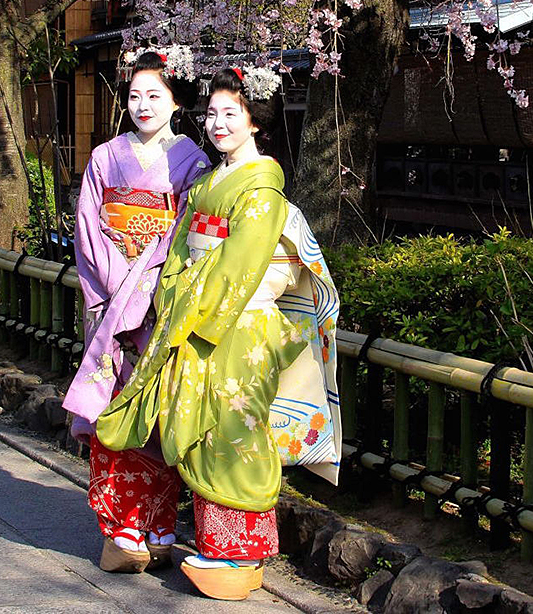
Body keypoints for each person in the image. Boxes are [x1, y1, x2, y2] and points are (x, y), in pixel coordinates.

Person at [96, 66, 341, 600]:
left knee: (233, 430)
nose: (218, 124)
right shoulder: (209, 182)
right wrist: (171, 293)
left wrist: (193, 307)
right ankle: (215, 546)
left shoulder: (263, 189)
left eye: (232, 114)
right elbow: (182, 248)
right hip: (197, 315)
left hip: (239, 323)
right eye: (211, 113)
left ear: (256, 123)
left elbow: (240, 264)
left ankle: (240, 552)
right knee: (199, 428)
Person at [63, 48, 210, 574]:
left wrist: (147, 285)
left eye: (154, 95)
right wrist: (121, 283)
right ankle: (122, 528)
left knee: (158, 409)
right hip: (112, 301)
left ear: (175, 102)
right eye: (133, 96)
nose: (143, 105)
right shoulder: (105, 156)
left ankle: (161, 526)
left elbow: (188, 235)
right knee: (115, 405)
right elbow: (88, 226)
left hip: (157, 304)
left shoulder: (194, 162)